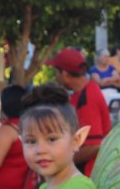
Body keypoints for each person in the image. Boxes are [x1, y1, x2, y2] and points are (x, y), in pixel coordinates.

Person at [46, 47, 111, 176]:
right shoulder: (82, 92)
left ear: (64, 74)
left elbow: (93, 146)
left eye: (56, 72)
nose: (55, 76)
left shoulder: (87, 98)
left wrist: (61, 164)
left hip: (89, 173)